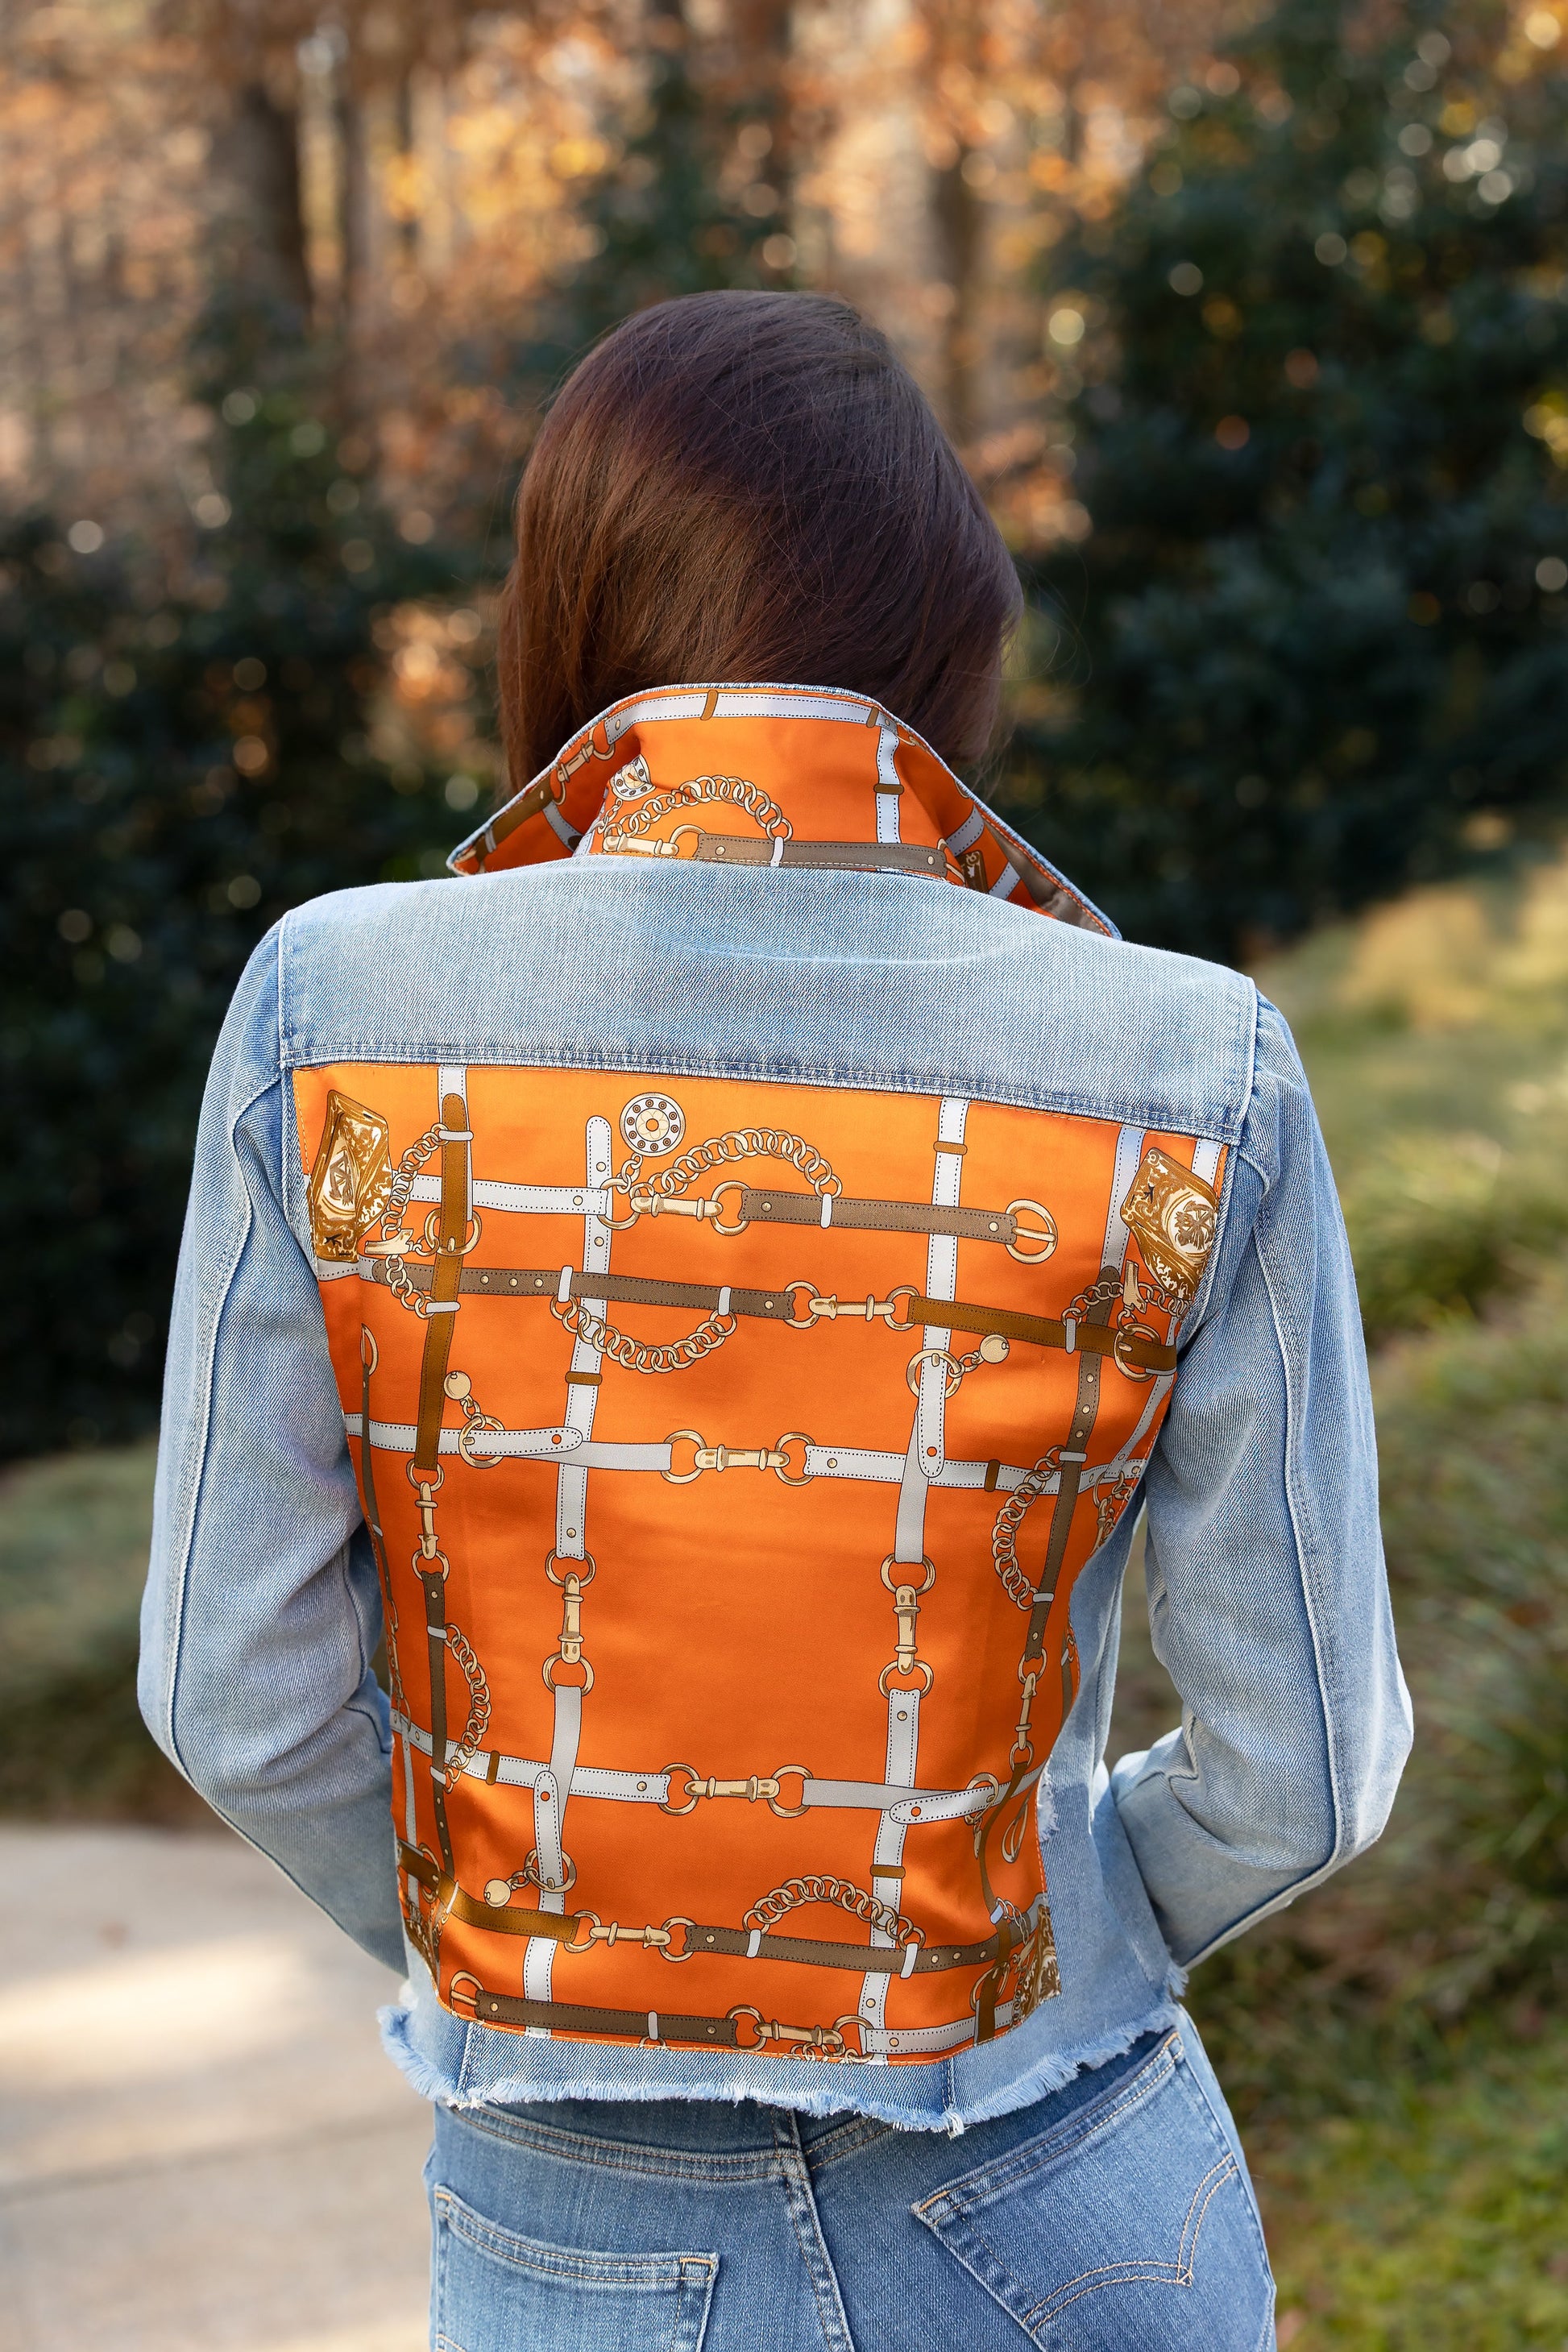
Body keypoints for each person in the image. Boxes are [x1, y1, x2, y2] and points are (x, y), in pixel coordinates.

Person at [141, 289, 1410, 2352]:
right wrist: (1033, 1941)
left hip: (574, 2224)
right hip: (1060, 2185)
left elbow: (238, 1695)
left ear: (571, 606)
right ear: (950, 641)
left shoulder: (331, 1014)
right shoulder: (1193, 1067)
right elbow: (1305, 1765)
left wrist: (542, 1953)